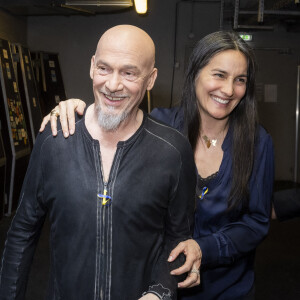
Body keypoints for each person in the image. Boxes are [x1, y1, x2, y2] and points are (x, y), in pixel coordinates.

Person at [42, 30, 275, 299]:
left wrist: (203, 248)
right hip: (158, 287)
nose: (228, 89)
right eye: (219, 75)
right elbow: (109, 122)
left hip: (227, 289)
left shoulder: (258, 142)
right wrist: (74, 109)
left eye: (240, 80)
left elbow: (257, 222)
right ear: (195, 73)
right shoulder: (160, 126)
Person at [0, 25, 198, 300]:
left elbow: (179, 239)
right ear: (92, 66)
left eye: (129, 73)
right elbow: (22, 232)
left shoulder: (173, 151)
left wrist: (160, 292)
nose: (113, 85)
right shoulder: (55, 139)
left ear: (151, 79)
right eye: (104, 68)